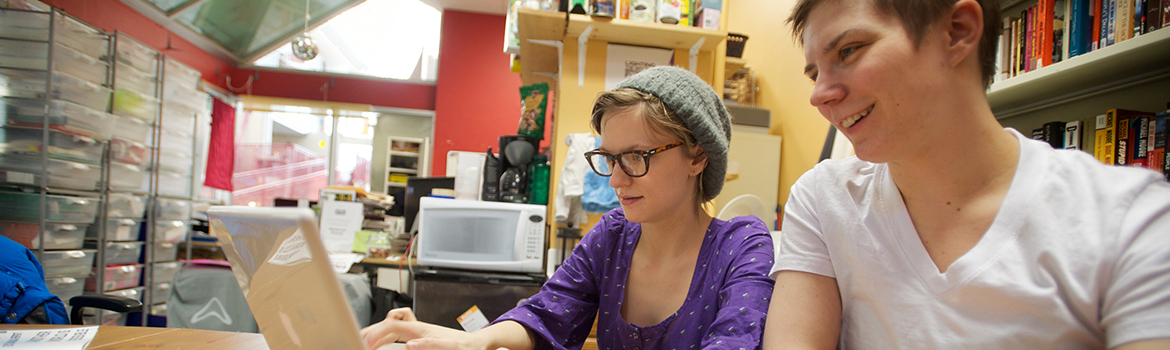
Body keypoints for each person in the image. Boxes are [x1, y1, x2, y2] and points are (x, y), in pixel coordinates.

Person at [763, 0, 1170, 349]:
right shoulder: (822, 198)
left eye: (849, 51)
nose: (818, 95)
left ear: (958, 32)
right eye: (815, 73)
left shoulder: (1129, 218)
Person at [360, 66, 775, 350]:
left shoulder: (742, 247)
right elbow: (546, 314)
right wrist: (475, 339)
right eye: (609, 158)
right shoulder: (613, 236)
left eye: (636, 157)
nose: (615, 179)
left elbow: (735, 341)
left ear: (698, 157)